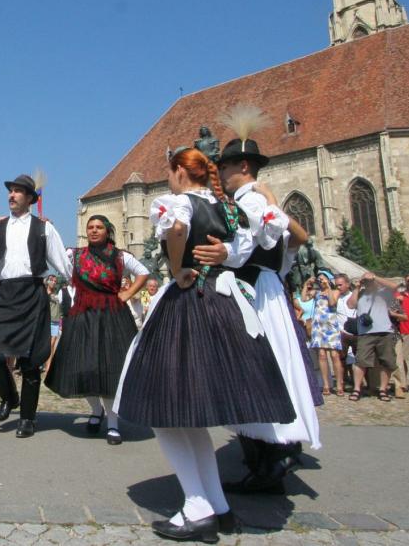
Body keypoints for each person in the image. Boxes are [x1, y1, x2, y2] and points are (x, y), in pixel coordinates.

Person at [115, 146, 294, 542]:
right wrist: (226, 253)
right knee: (191, 414)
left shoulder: (177, 203)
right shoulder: (230, 207)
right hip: (224, 302)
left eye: (170, 171)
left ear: (180, 171)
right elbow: (250, 246)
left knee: (165, 408)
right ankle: (219, 506)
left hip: (188, 302)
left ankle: (197, 507)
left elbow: (177, 229)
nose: (168, 178)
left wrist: (178, 268)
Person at [216, 137, 320, 494]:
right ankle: (277, 449)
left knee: (248, 369)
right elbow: (297, 240)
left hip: (250, 290)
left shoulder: (247, 202)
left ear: (244, 166)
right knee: (275, 364)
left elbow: (239, 250)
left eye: (225, 166)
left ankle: (268, 460)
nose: (221, 173)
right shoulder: (264, 201)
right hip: (271, 287)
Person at [0, 174, 73, 439]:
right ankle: (10, 396)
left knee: (29, 361)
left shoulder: (44, 227)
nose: (11, 195)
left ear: (30, 198)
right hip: (4, 293)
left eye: (17, 191)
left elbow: (65, 265)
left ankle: (27, 417)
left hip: (32, 292)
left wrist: (78, 284)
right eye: (10, 191)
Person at [45, 215, 148, 445]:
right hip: (82, 316)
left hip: (113, 318)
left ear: (107, 230)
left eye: (99, 227)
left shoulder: (121, 256)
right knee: (83, 368)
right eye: (90, 227)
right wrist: (48, 229)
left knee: (110, 370)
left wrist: (127, 294)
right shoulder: (75, 255)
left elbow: (143, 273)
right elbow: (54, 255)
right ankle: (95, 411)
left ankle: (113, 424)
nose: (93, 230)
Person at [347, 272, 399, 402]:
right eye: (366, 281)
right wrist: (358, 287)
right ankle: (357, 388)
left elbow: (394, 287)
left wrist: (375, 277)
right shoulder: (360, 294)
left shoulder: (383, 292)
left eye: (369, 281)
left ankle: (383, 389)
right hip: (365, 333)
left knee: (386, 361)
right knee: (361, 361)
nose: (368, 283)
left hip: (384, 331)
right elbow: (350, 305)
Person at [309, 273, 344, 396]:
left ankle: (339, 384)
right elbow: (303, 298)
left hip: (331, 326)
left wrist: (328, 288)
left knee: (335, 355)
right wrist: (306, 283)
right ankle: (326, 384)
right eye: (320, 279)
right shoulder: (316, 292)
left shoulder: (335, 291)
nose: (321, 281)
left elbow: (332, 303)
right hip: (319, 327)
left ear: (328, 280)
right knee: (322, 355)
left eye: (323, 278)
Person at [42, 275, 63, 377]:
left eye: (55, 281)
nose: (54, 282)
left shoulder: (55, 293)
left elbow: (58, 308)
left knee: (53, 344)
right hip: (48, 321)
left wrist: (60, 322)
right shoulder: (45, 293)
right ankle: (47, 367)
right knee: (49, 344)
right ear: (47, 281)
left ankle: (49, 367)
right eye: (52, 280)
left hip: (56, 321)